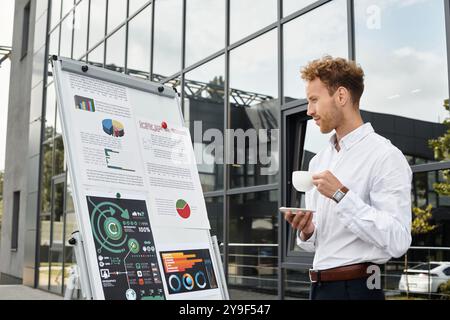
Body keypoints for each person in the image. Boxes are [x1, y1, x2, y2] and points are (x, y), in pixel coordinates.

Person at [284, 56, 412, 300]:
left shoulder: (385, 156)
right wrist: (308, 230)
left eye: (314, 100)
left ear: (341, 96)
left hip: (359, 288)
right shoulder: (318, 161)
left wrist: (342, 195)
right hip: (319, 288)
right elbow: (319, 243)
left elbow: (398, 240)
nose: (309, 111)